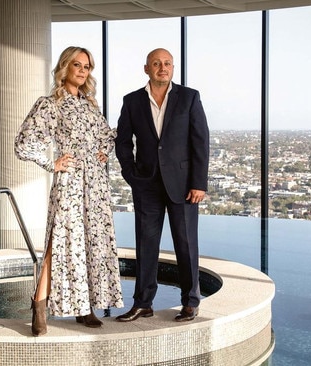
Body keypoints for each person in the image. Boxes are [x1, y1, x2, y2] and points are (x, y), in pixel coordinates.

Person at [14, 46, 124, 336]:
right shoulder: (50, 104)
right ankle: (39, 304)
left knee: (90, 243)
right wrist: (52, 163)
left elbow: (108, 136)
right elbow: (24, 143)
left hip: (96, 186)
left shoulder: (90, 105)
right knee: (60, 243)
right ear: (65, 67)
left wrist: (103, 151)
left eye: (87, 66)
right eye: (77, 64)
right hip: (71, 183)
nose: (82, 70)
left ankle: (84, 307)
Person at [114, 48, 210, 323]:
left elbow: (200, 141)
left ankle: (191, 302)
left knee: (186, 244)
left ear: (173, 68)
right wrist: (130, 174)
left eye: (167, 63)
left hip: (183, 186)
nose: (162, 68)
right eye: (156, 63)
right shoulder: (132, 101)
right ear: (147, 68)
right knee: (146, 246)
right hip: (146, 185)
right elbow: (122, 141)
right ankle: (143, 303)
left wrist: (198, 183)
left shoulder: (189, 97)